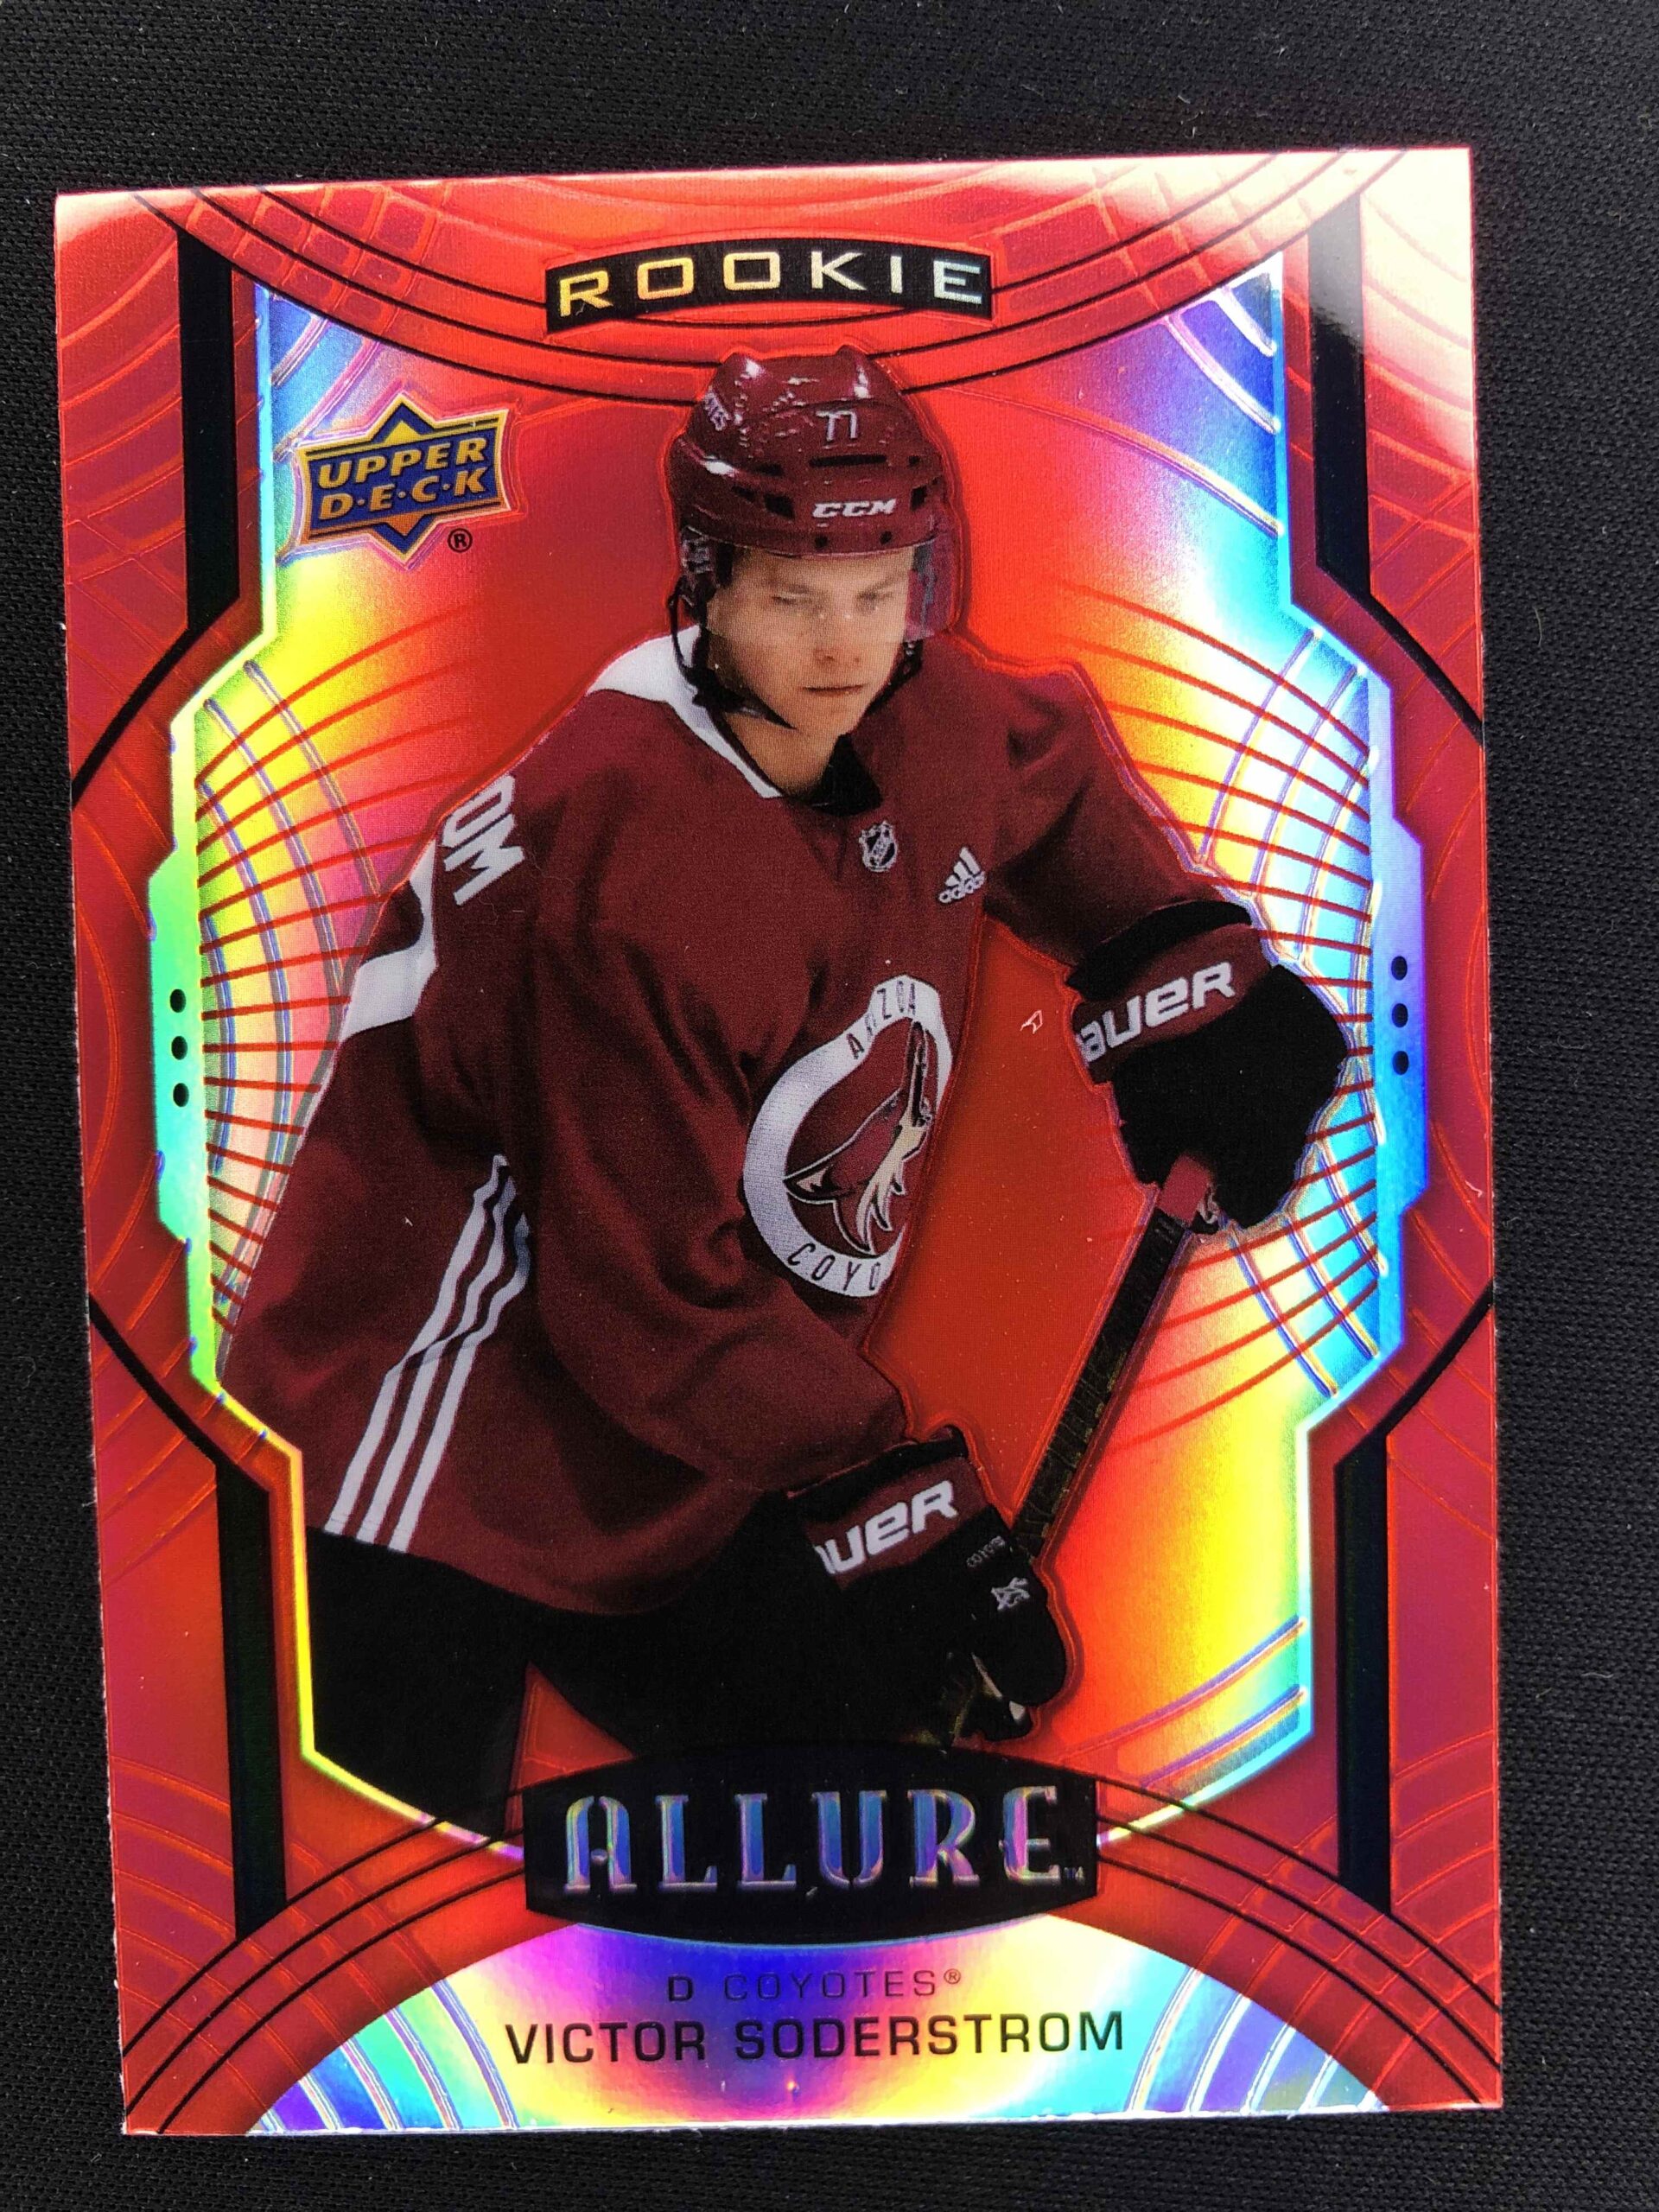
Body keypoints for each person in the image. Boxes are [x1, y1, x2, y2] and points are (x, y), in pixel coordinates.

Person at [222, 348, 1346, 1835]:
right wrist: (896, 1501)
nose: (843, 646)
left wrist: (1181, 967)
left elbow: (1048, 779)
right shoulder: (631, 864)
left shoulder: (920, 717)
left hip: (690, 1445)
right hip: (429, 1451)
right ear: (705, 588)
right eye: (793, 597)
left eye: (878, 593)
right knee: (396, 1895)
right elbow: (648, 1299)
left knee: (852, 1815)